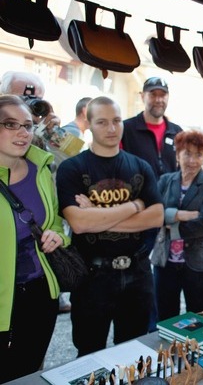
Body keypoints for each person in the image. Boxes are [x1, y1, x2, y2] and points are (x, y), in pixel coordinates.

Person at [56, 96, 164, 357]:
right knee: (89, 351)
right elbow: (80, 224)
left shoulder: (140, 166)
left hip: (138, 273)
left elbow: (157, 217)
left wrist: (97, 214)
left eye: (116, 121)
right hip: (93, 276)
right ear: (89, 123)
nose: (112, 128)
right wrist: (135, 206)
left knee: (133, 353)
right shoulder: (72, 168)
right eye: (102, 122)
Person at [0, 95, 70, 382]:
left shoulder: (41, 169)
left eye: (28, 125)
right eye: (10, 124)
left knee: (28, 373)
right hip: (3, 296)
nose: (22, 132)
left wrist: (57, 237)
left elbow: (53, 221)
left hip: (41, 294)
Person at [120, 76, 182, 331]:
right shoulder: (127, 128)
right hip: (139, 214)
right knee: (140, 272)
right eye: (153, 94)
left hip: (167, 215)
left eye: (163, 94)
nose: (158, 99)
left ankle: (159, 327)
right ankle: (143, 326)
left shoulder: (176, 131)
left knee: (164, 273)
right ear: (143, 96)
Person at [152, 130, 203, 320]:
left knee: (196, 318)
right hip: (165, 261)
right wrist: (181, 214)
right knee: (165, 317)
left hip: (200, 263)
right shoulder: (165, 181)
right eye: (187, 153)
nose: (192, 160)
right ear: (177, 155)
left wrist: (170, 223)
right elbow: (153, 214)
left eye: (198, 155)